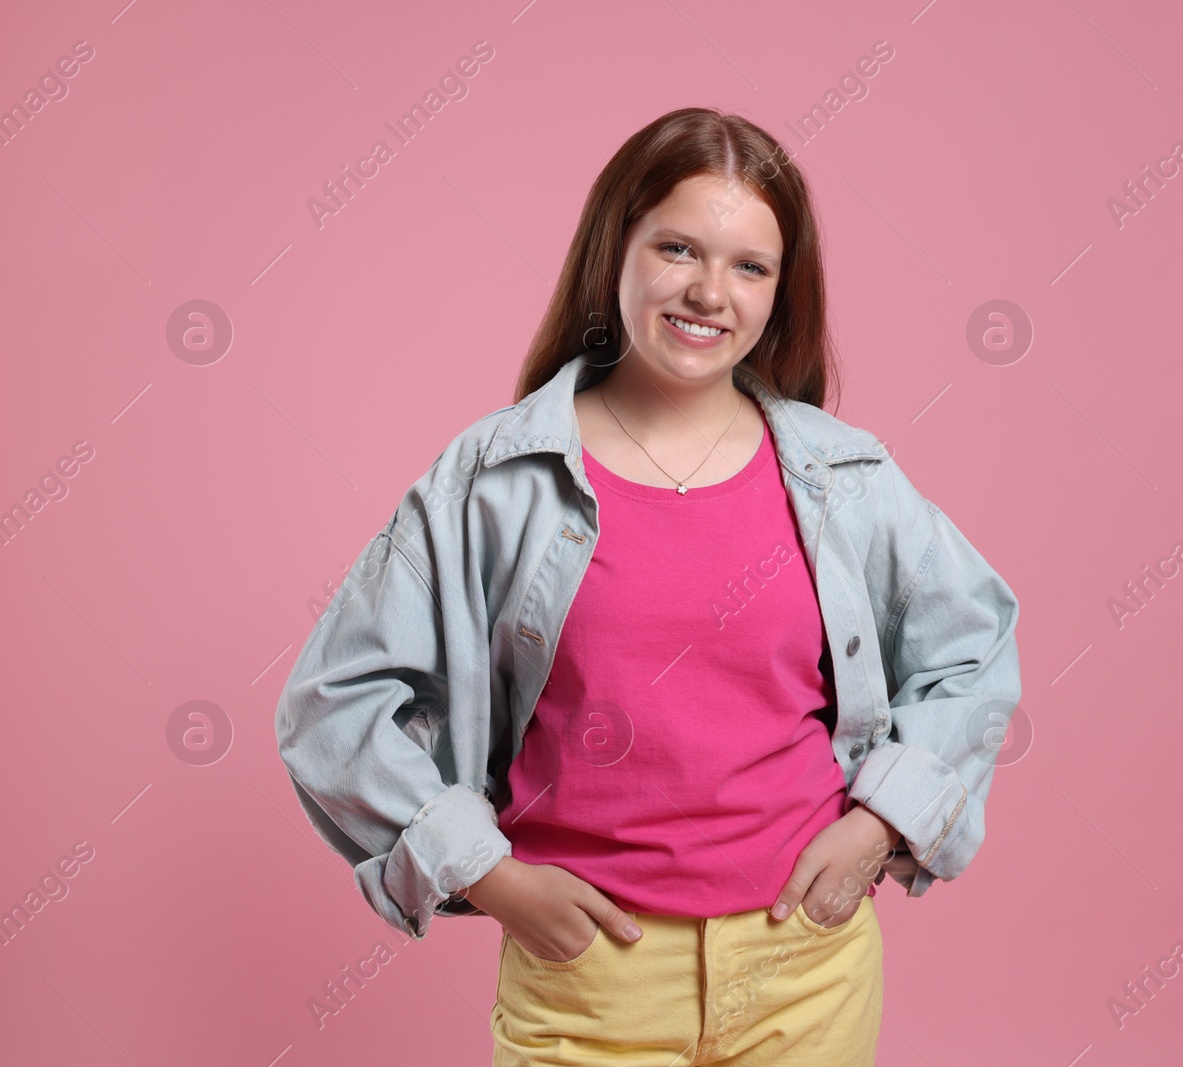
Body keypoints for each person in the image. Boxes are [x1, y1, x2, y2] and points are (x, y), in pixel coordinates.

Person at [274, 106, 1022, 1066]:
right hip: (589, 974)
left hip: (807, 967)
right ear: (614, 248)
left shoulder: (848, 479)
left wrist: (882, 825)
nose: (710, 292)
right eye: (678, 248)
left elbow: (974, 651)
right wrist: (490, 875)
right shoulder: (494, 480)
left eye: (750, 265)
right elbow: (333, 702)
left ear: (780, 289)